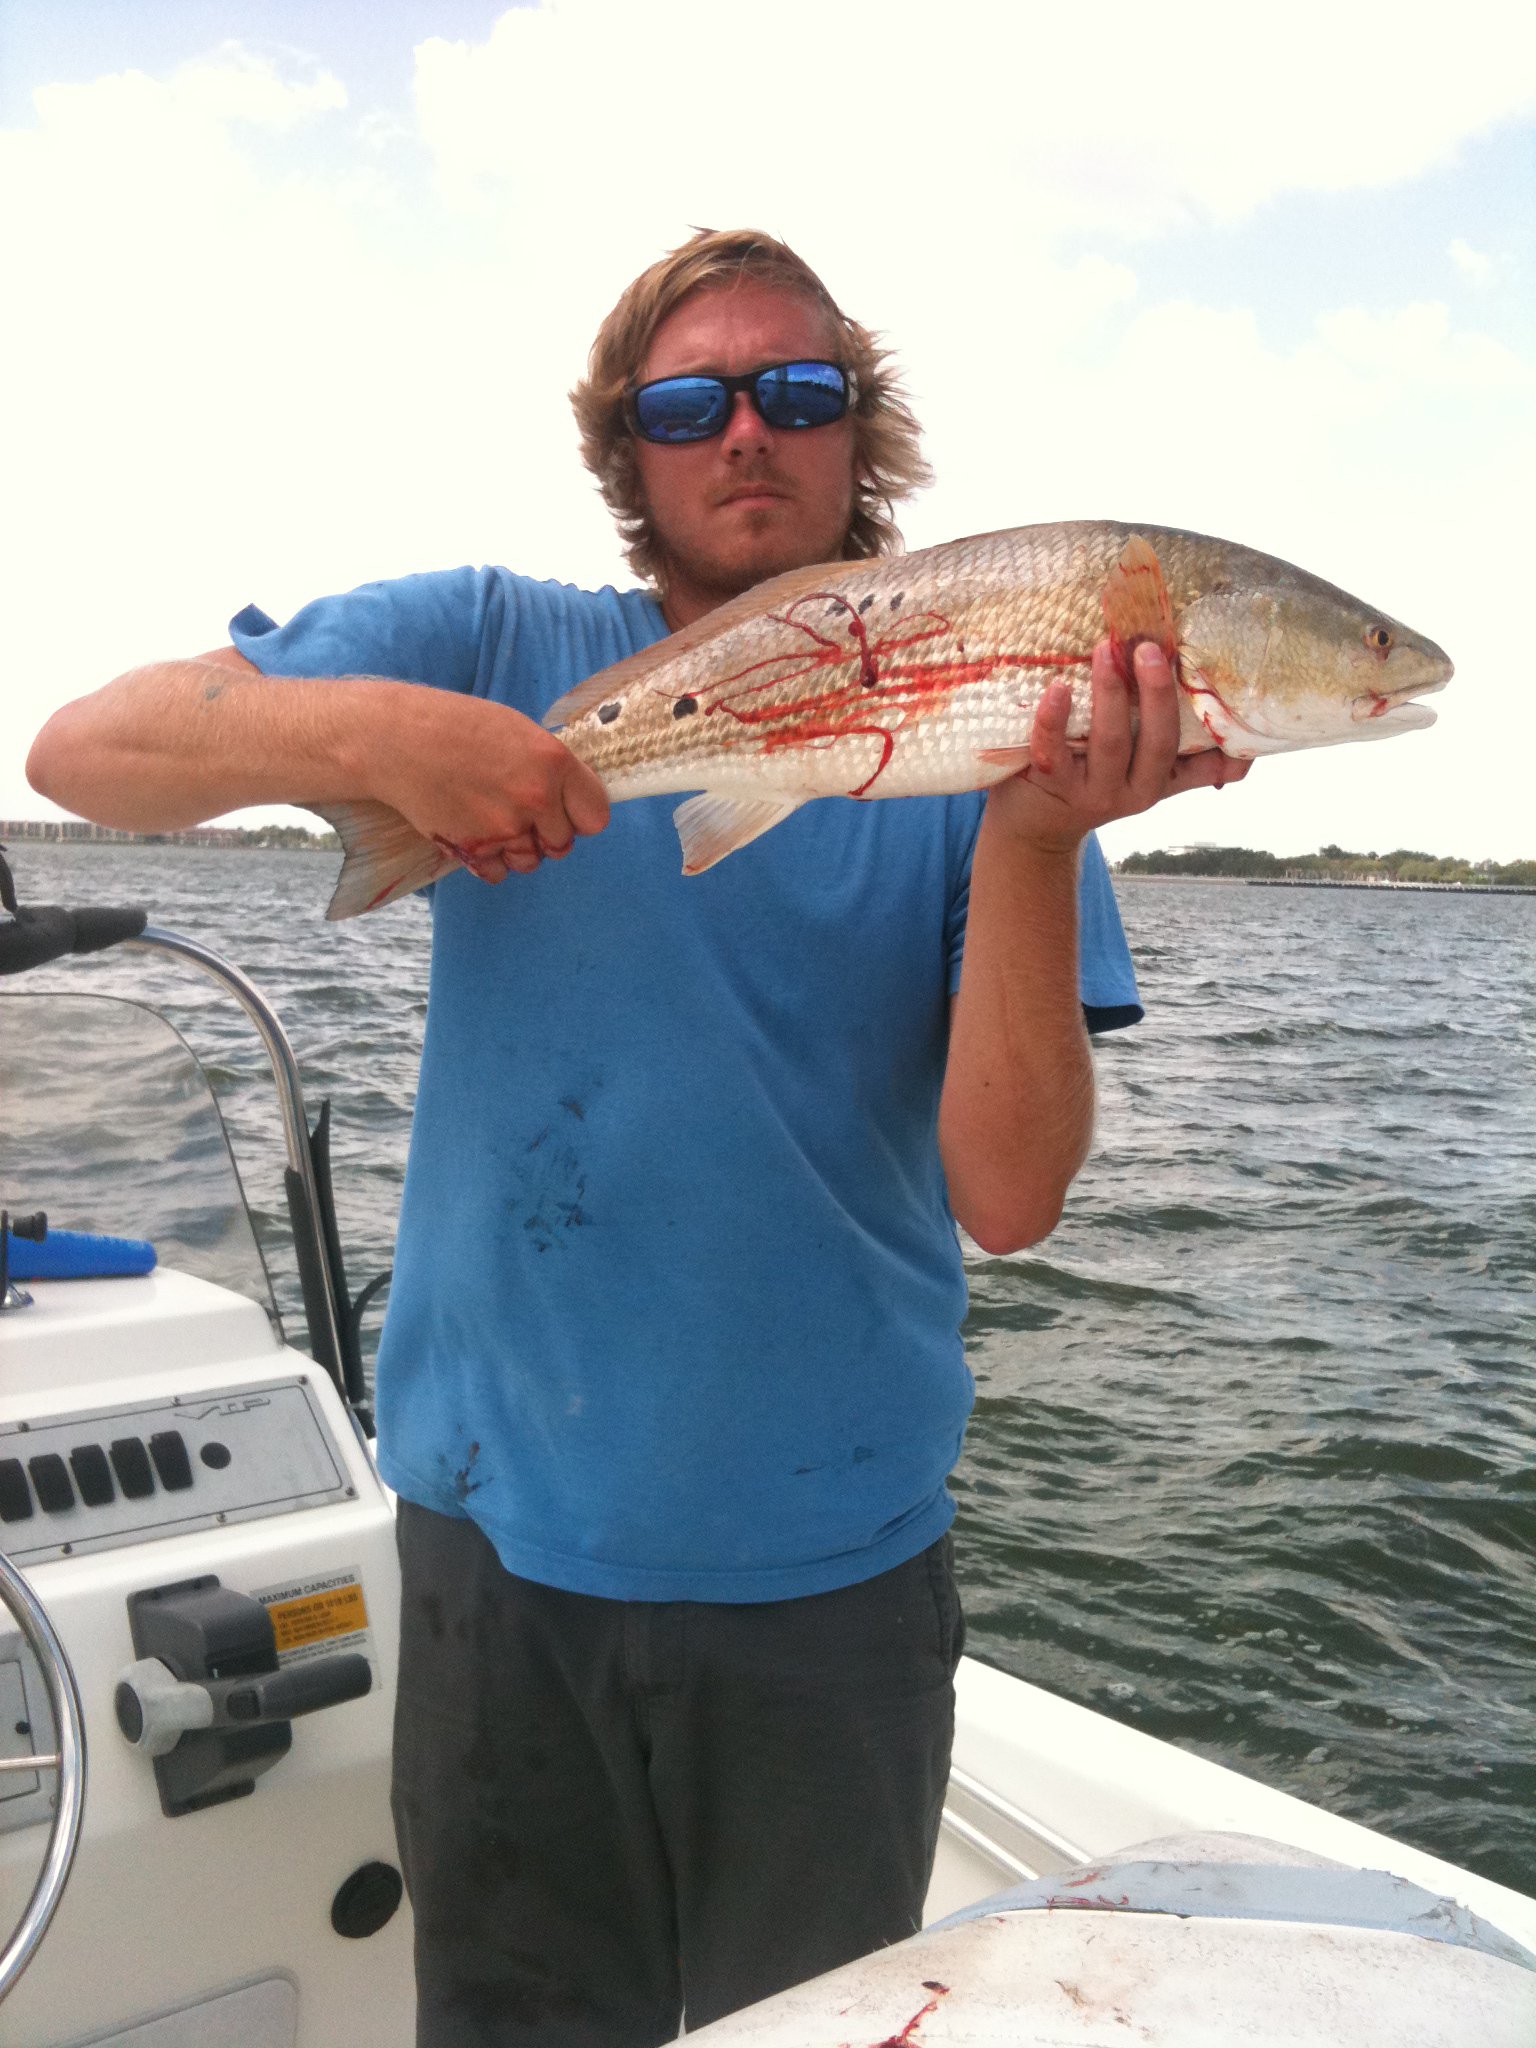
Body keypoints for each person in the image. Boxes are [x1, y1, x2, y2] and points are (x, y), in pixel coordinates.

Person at [27, 228, 1244, 2046]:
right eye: (691, 404)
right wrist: (392, 734)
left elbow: (1009, 1198)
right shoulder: (496, 640)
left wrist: (1037, 833)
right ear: (628, 447)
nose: (747, 431)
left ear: (859, 431)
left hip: (830, 1581)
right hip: (494, 1555)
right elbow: (83, 753)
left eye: (799, 392)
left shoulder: (994, 728)